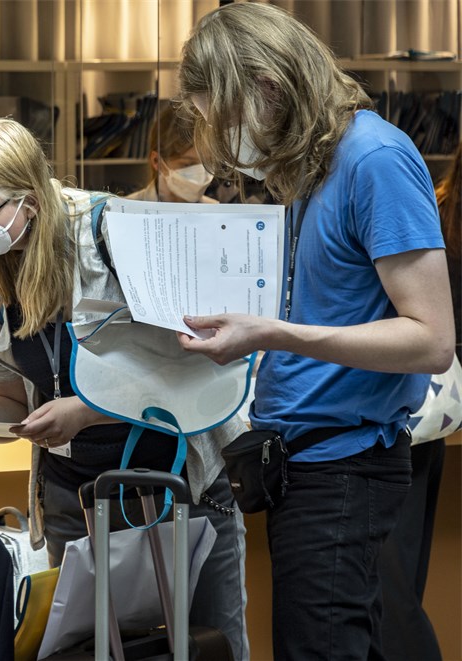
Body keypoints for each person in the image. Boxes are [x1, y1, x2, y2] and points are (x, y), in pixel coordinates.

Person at [175, 4, 455, 659]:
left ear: (269, 86)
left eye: (226, 115)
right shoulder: (312, 168)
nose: (226, 138)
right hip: (301, 465)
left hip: (344, 468)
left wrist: (274, 332)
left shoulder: (375, 158)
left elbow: (432, 337)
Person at [0, 116, 250, 660]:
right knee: (81, 653)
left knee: (206, 646)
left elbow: (197, 369)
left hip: (179, 489)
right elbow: (11, 397)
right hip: (73, 498)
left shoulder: (114, 232)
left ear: (28, 200)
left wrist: (85, 411)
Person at [376, 140, 461, 661]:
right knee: (397, 588)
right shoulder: (434, 212)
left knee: (395, 588)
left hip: (414, 404)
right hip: (430, 410)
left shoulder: (436, 205)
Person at [126, 103, 216, 204]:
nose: (201, 173)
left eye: (208, 163)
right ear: (157, 161)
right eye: (188, 164)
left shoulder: (217, 212)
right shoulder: (123, 211)